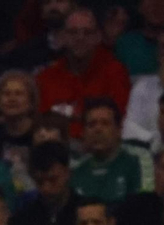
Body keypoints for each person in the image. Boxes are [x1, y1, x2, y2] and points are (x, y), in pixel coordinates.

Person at [35, 7, 130, 139]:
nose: (80, 38)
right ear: (63, 37)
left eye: (87, 32)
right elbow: (42, 121)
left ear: (98, 37)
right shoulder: (45, 77)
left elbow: (117, 120)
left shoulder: (115, 72)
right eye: (73, 32)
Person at [11, 142, 85, 225]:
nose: (46, 188)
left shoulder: (84, 213)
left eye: (53, 180)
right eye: (40, 181)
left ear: (67, 173)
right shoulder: (24, 219)